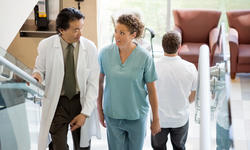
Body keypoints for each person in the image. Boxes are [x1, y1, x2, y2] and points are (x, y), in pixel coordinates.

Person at [32, 7, 100, 150]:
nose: (80, 34)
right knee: (59, 146)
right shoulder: (46, 45)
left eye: (81, 28)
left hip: (79, 101)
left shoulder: (90, 48)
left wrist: (85, 113)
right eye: (75, 30)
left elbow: (93, 83)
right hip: (58, 103)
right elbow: (39, 69)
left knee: (83, 146)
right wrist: (37, 75)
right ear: (61, 30)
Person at [97, 14, 161, 150]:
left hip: (136, 116)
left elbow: (152, 90)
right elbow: (99, 83)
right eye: (115, 31)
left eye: (122, 33)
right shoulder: (104, 54)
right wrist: (99, 109)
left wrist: (155, 118)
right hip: (113, 115)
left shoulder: (144, 57)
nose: (117, 36)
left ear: (133, 35)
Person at [151, 31, 197, 150]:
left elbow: (147, 93)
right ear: (179, 46)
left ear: (162, 46)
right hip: (180, 119)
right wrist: (183, 102)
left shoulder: (152, 68)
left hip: (158, 119)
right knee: (179, 147)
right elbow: (193, 96)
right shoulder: (190, 68)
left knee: (158, 148)